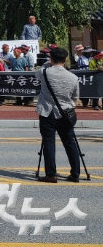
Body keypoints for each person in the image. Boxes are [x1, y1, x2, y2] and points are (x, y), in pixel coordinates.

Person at [35, 46, 80, 183]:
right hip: (66, 113)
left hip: (47, 111)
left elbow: (37, 74)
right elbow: (75, 97)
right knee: (69, 142)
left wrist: (47, 63)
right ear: (65, 59)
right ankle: (75, 173)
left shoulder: (45, 72)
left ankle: (51, 174)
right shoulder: (73, 77)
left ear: (51, 58)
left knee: (49, 142)